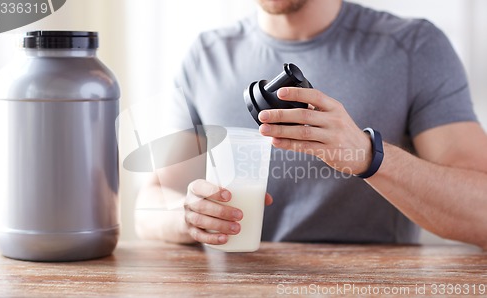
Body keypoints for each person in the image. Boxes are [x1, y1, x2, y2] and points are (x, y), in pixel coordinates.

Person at [135, 0, 487, 248]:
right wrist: (189, 217)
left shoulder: (414, 47)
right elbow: (150, 203)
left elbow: (481, 214)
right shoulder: (206, 55)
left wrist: (367, 155)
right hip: (237, 285)